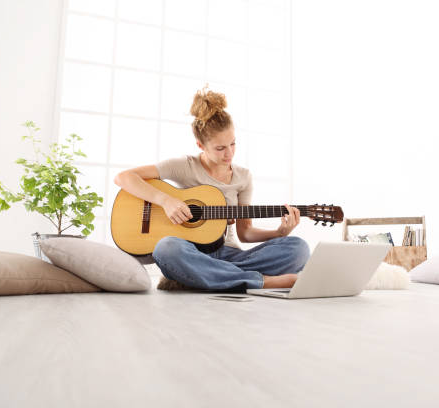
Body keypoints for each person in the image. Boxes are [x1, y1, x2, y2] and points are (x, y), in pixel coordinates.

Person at [113, 86, 310, 291]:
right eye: (220, 148)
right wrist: (166, 201)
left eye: (233, 144)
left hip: (229, 254)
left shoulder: (243, 177)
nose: (229, 154)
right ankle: (260, 281)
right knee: (166, 249)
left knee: (298, 249)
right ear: (200, 145)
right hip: (189, 250)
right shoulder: (184, 166)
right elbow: (124, 177)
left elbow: (245, 233)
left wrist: (279, 233)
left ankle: (205, 276)